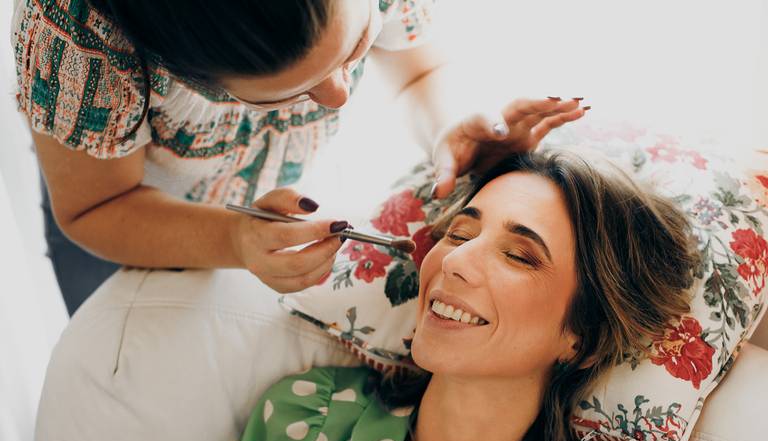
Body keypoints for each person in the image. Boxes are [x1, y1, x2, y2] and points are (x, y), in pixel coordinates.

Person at [196, 150, 699, 441]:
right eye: (460, 232)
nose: (454, 259)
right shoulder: (305, 418)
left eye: (518, 255)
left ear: (583, 337)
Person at [12, 0, 587, 315]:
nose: (339, 96)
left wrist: (446, 127)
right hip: (121, 211)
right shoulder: (74, 37)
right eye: (289, 93)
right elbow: (96, 207)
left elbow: (421, 71)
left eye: (357, 47)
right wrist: (232, 239)